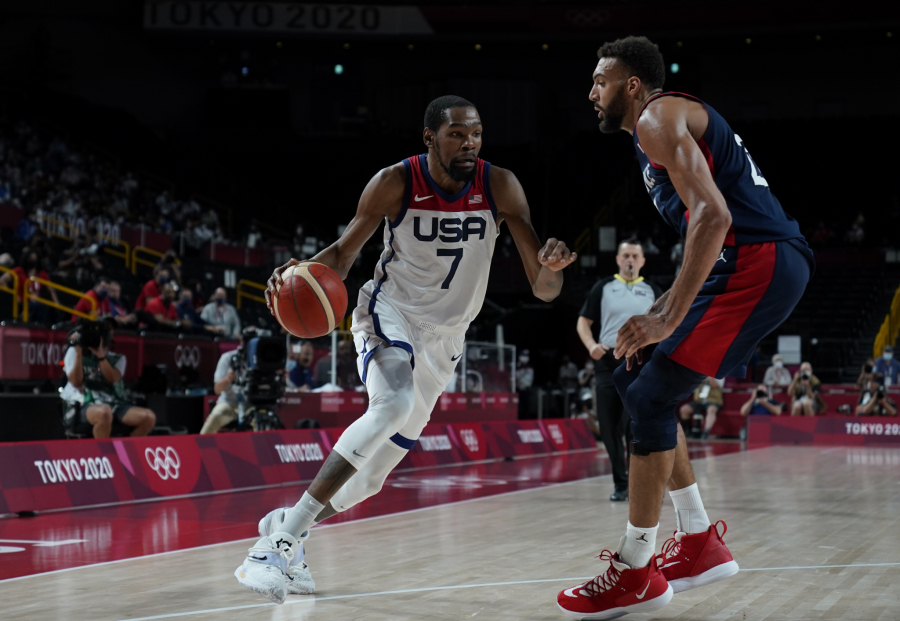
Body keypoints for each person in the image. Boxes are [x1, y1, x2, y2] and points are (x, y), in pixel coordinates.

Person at [234, 95, 575, 603]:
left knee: (369, 481)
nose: (470, 143)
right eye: (457, 134)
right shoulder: (395, 182)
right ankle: (273, 549)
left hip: (446, 341)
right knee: (391, 404)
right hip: (390, 312)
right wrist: (298, 273)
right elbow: (344, 254)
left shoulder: (499, 185)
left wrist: (551, 266)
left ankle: (287, 524)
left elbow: (544, 290)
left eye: (477, 134)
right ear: (430, 137)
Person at [559, 36, 814, 619]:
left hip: (759, 259)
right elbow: (707, 231)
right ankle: (698, 540)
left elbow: (715, 216)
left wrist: (667, 315)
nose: (591, 92)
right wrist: (662, 309)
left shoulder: (656, 117)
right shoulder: (652, 132)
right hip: (746, 259)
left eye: (600, 81)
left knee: (650, 394)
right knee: (634, 376)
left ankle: (635, 568)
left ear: (631, 85)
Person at [576, 238, 661, 501]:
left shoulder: (653, 290)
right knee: (608, 426)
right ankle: (620, 482)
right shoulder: (603, 287)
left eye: (635, 256)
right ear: (617, 259)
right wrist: (591, 346)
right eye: (626, 256)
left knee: (633, 426)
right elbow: (583, 321)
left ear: (643, 261)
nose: (630, 260)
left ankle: (634, 483)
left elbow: (666, 326)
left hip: (640, 362)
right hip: (607, 361)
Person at [61, 319, 156, 438]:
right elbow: (76, 382)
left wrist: (100, 355)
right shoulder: (74, 352)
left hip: (111, 402)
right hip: (79, 403)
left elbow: (113, 378)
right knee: (105, 413)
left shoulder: (118, 358)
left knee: (148, 417)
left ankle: (124, 448)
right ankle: (104, 450)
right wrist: (79, 352)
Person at [0, 249, 60, 324]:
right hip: (21, 303)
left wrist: (57, 305)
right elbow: (2, 280)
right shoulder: (19, 270)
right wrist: (12, 296)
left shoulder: (42, 274)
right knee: (41, 307)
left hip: (35, 304)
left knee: (45, 308)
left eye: (35, 258)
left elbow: (51, 290)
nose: (32, 260)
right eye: (30, 258)